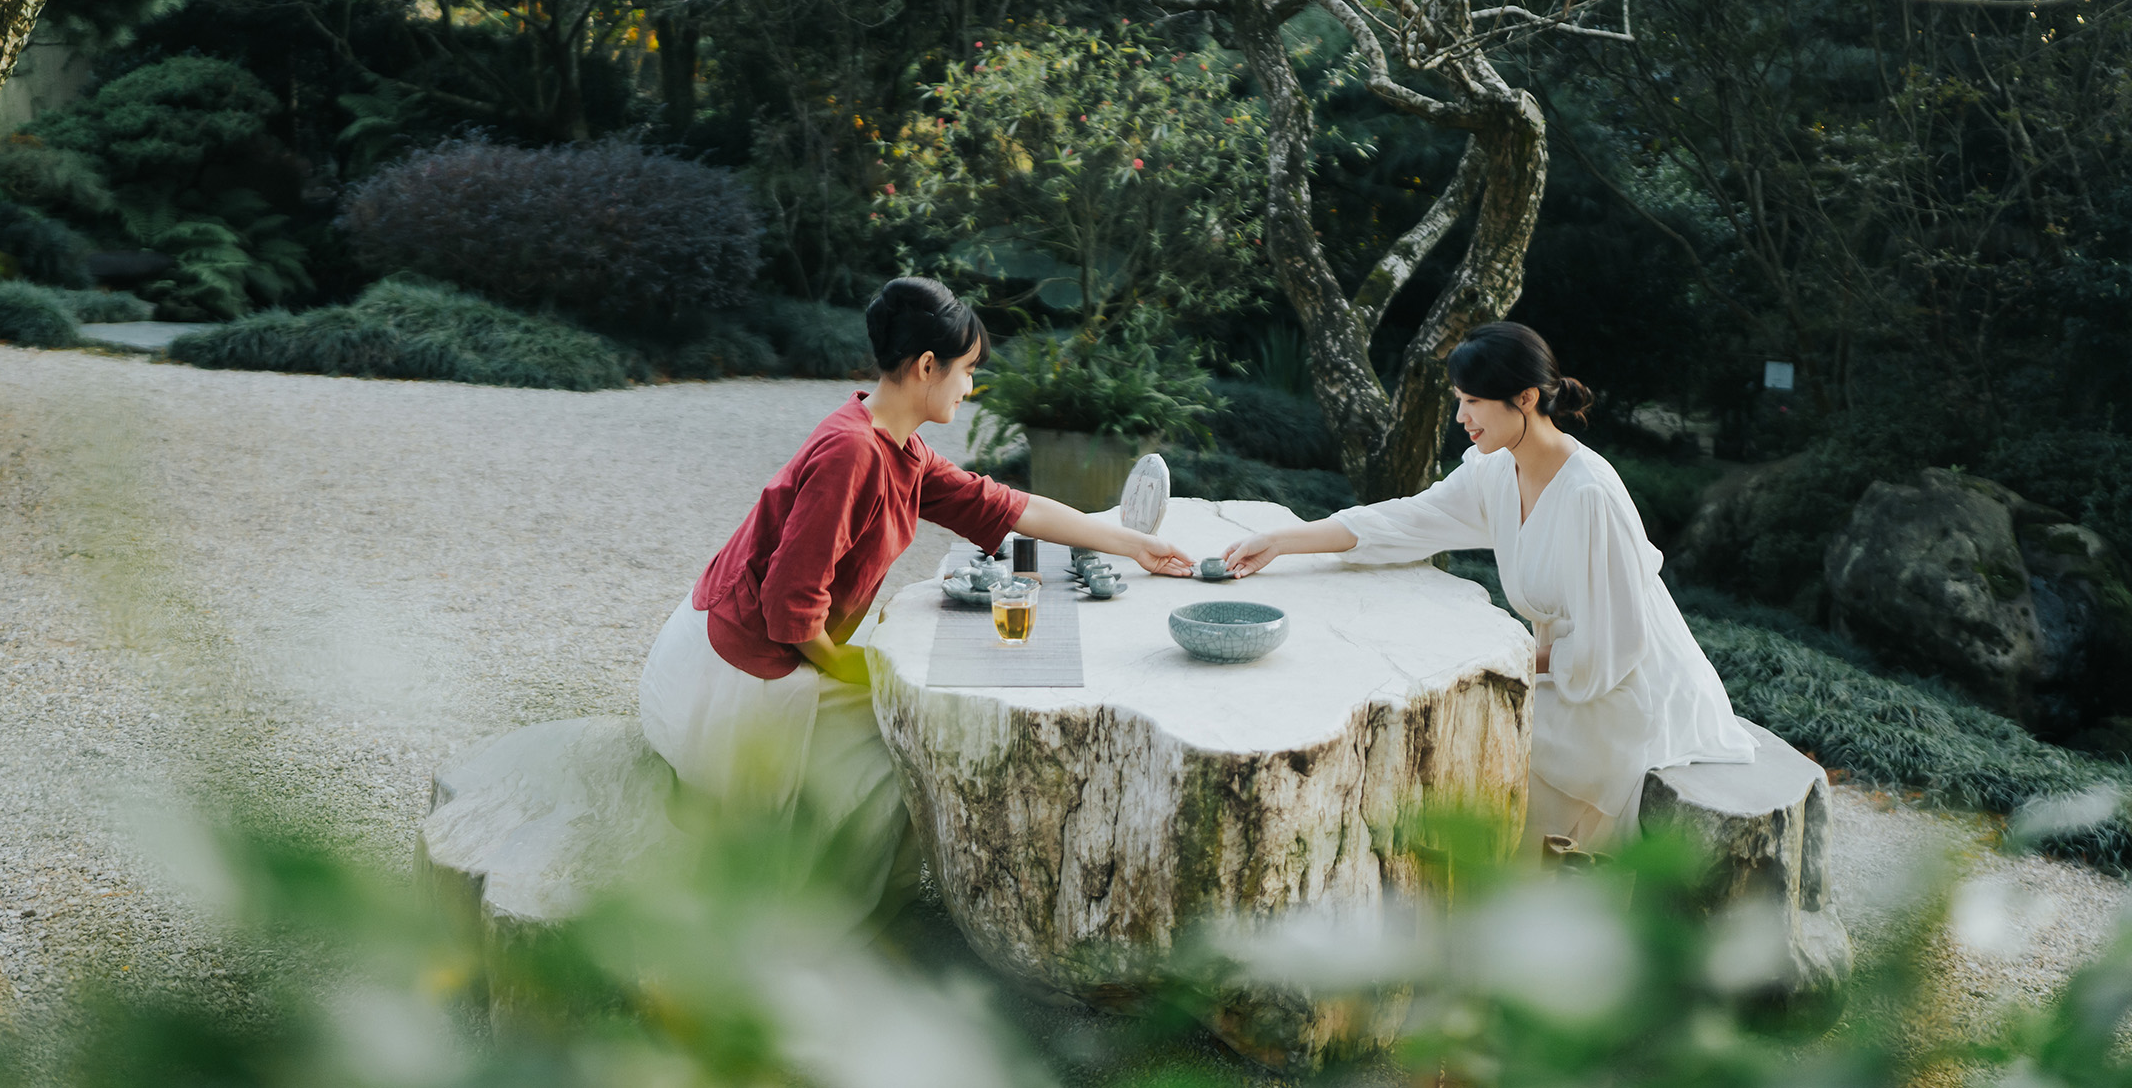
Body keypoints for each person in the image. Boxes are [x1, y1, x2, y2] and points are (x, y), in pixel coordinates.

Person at [638, 277, 1193, 919]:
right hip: (745, 670)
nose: (970, 387)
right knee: (902, 742)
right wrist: (855, 669)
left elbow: (1007, 505)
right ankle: (826, 915)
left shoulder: (898, 447)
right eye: (967, 370)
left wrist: (1133, 543)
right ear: (928, 365)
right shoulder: (852, 453)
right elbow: (790, 604)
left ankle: (863, 894)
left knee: (914, 715)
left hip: (761, 641)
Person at [1218, 322, 1753, 852]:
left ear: (1525, 399)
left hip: (1628, 686)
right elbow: (1407, 520)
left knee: (1480, 736)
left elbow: (1609, 648)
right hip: (1565, 668)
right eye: (1459, 400)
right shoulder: (1495, 470)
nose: (1461, 417)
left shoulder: (1588, 495)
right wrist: (1283, 540)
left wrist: (1502, 659)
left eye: (1473, 401)